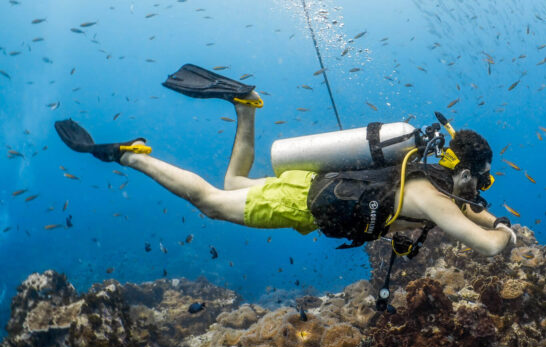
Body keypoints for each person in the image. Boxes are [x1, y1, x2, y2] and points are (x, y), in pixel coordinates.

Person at [54, 64, 516, 259]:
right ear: (461, 171)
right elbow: (491, 247)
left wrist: (491, 215)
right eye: (478, 181)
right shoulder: (431, 198)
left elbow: (469, 209)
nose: (478, 192)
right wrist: (507, 235)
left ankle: (245, 107)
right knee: (210, 203)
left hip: (309, 185)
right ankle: (132, 157)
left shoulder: (421, 174)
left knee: (234, 180)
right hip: (302, 206)